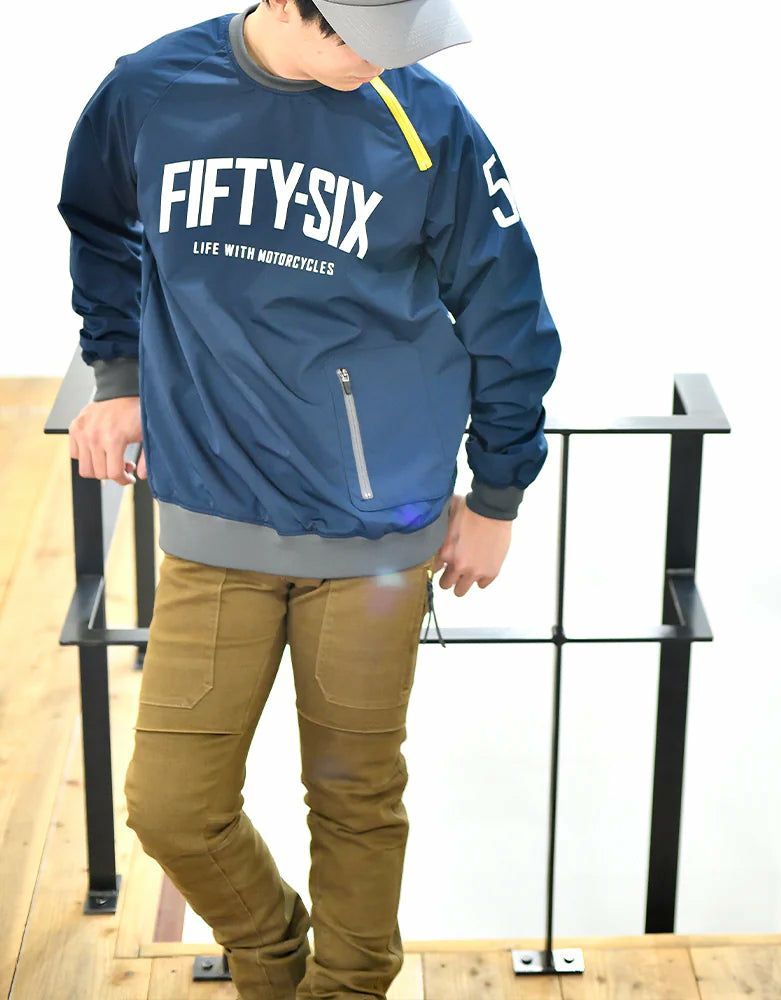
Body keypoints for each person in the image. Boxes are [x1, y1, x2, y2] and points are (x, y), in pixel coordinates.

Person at [55, 0, 561, 997]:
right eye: (368, 40)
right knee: (171, 805)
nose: (386, 62)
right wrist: (116, 375)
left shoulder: (427, 120)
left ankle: (351, 988)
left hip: (378, 538)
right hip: (214, 516)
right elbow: (103, 225)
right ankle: (272, 949)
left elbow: (511, 311)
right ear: (293, 5)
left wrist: (497, 493)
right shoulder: (150, 91)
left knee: (355, 796)